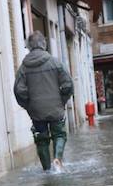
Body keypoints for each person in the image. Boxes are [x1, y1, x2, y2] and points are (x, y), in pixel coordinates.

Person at [13, 31, 73, 171]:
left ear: (29, 46)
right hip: (55, 108)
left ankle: (46, 169)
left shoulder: (23, 68)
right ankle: (57, 158)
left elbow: (18, 90)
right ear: (43, 44)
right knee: (59, 134)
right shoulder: (55, 62)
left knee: (41, 140)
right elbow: (68, 85)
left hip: (36, 111)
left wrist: (29, 105)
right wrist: (61, 101)